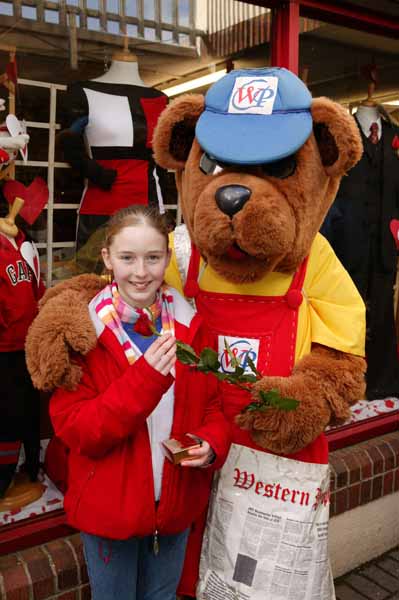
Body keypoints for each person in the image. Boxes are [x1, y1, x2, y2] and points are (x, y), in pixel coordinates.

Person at [29, 205, 231, 600]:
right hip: (109, 513)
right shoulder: (81, 331)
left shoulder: (192, 325)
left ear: (167, 258)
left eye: (153, 257)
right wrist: (146, 381)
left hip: (174, 508)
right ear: (107, 258)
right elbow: (78, 429)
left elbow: (214, 407)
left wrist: (211, 444)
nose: (141, 272)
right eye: (127, 258)